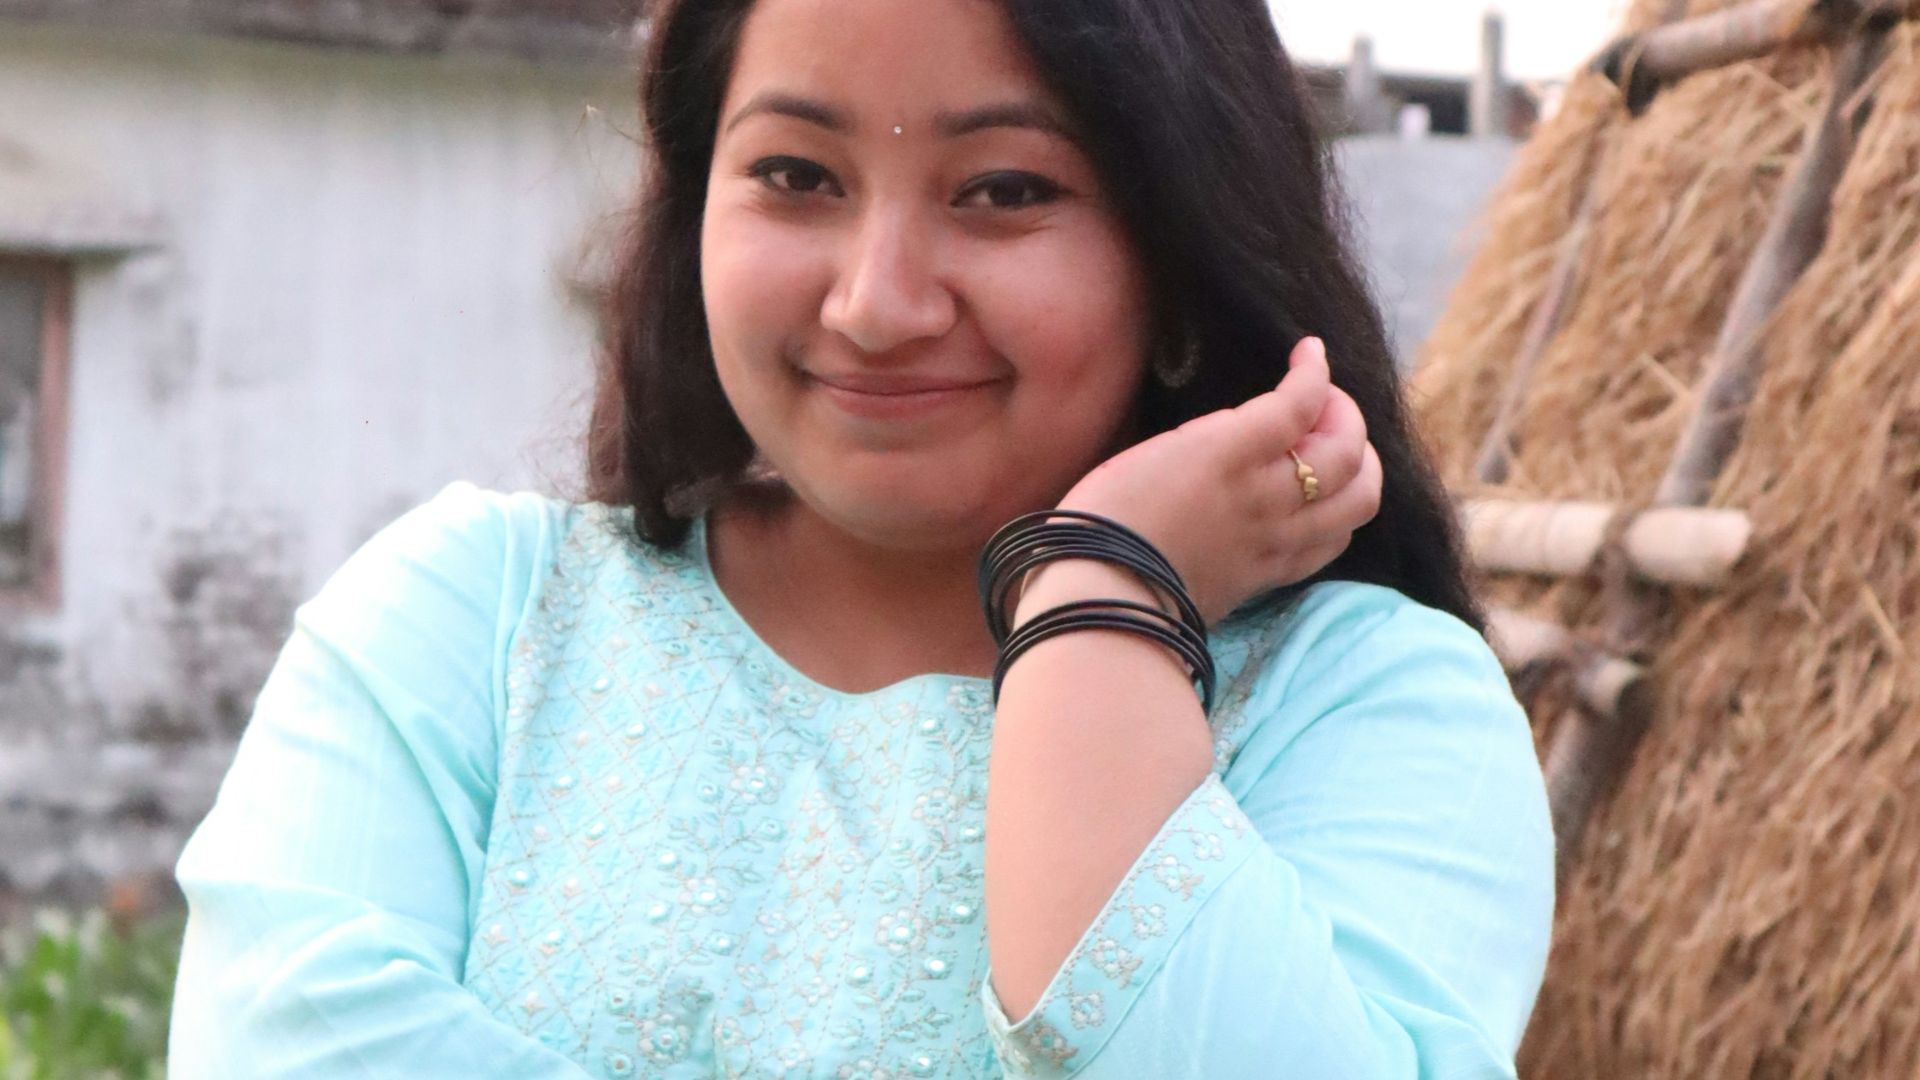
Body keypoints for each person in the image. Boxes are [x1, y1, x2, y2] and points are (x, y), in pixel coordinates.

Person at [166, 0, 1554, 1075]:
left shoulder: (1370, 704)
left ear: (1186, 256)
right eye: (796, 175)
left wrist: (1097, 609)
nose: (878, 302)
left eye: (1005, 189)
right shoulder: (460, 628)